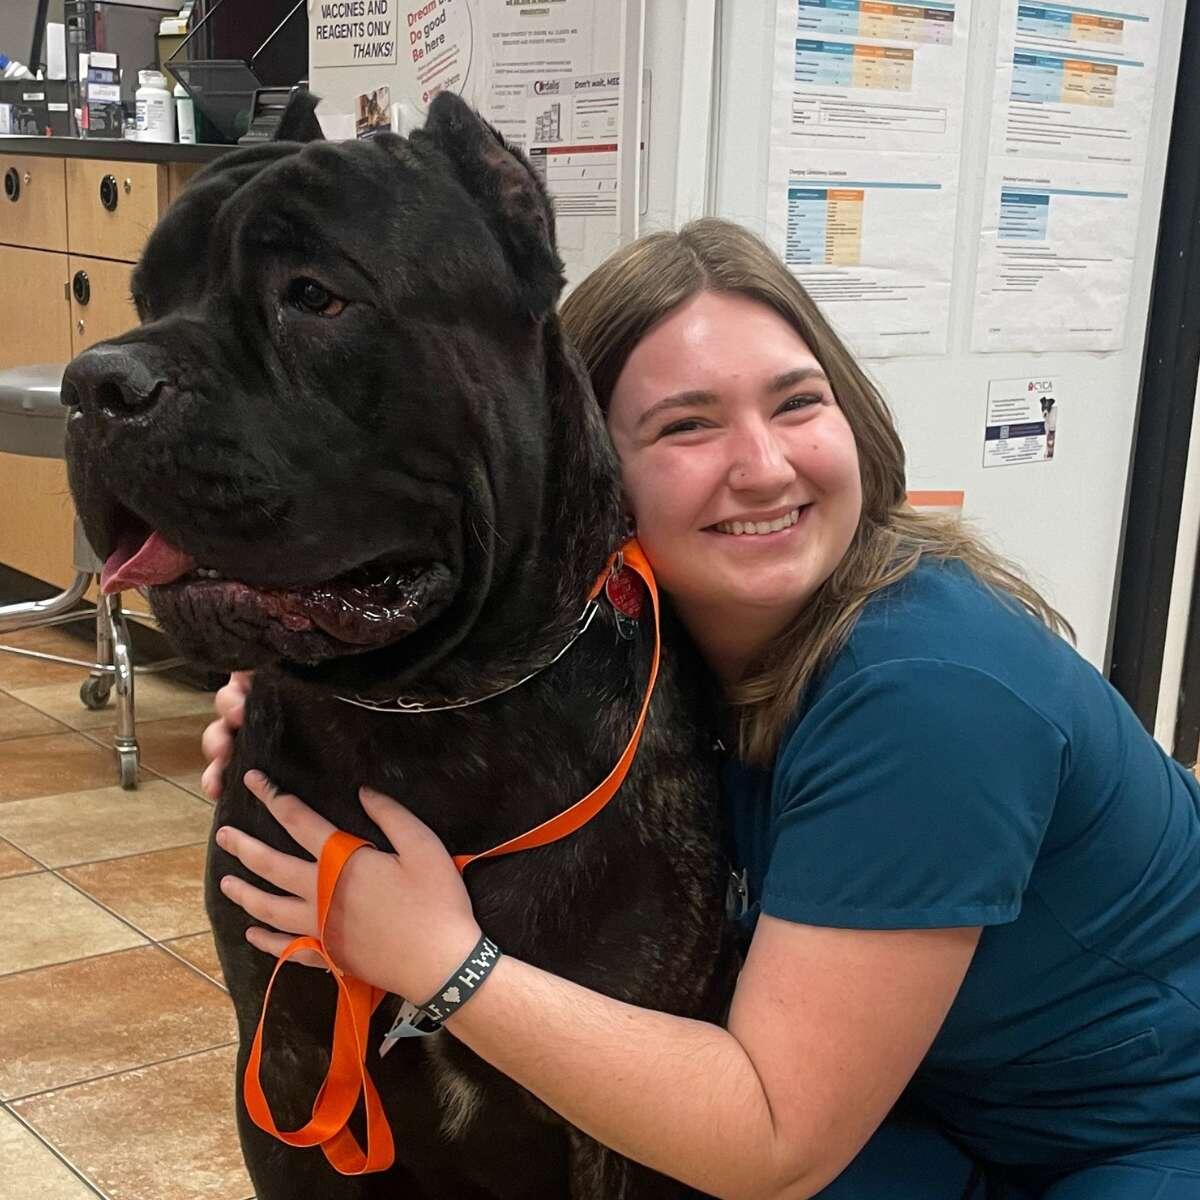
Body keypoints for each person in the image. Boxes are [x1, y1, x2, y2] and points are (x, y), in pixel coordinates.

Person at [202, 219, 1200, 1199]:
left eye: (797, 403)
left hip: (1142, 1135)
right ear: (579, 467)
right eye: (686, 425)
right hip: (933, 1109)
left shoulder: (929, 696)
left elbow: (773, 1143)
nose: (763, 468)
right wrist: (298, 710)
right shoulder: (647, 625)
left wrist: (441, 963)